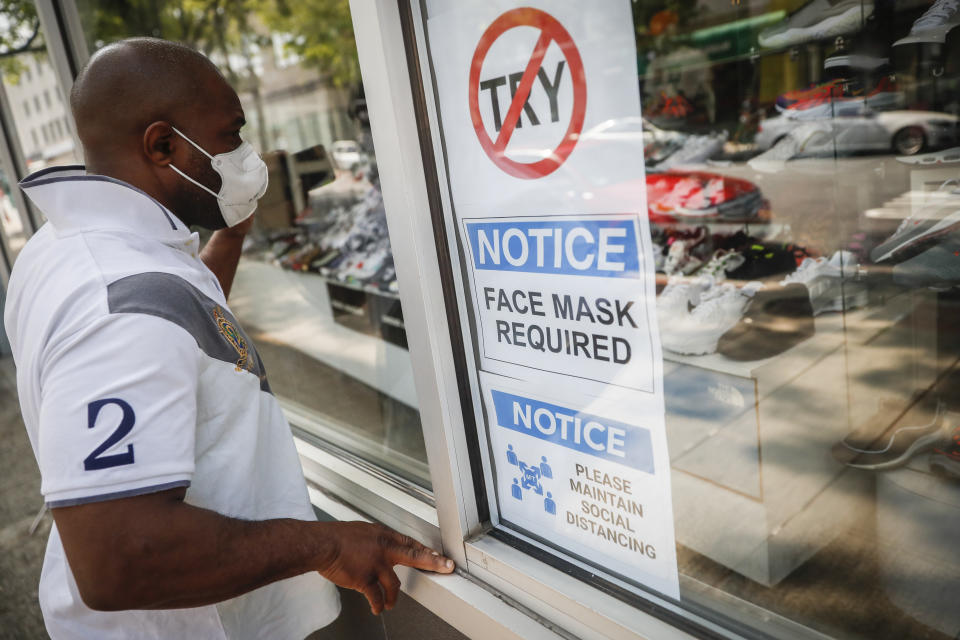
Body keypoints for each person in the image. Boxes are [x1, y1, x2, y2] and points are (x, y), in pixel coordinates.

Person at [3, 37, 454, 640]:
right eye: (230, 135)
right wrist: (328, 544)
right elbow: (119, 557)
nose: (246, 153)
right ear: (163, 144)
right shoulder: (116, 302)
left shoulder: (65, 246)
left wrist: (233, 235)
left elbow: (180, 330)